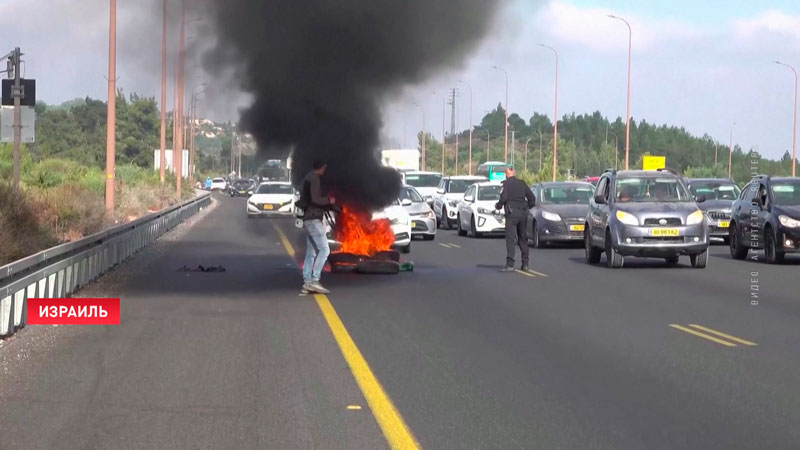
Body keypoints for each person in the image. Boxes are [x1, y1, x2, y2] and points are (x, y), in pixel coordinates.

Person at [299, 160, 335, 294]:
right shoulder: (314, 179)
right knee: (325, 250)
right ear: (322, 167)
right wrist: (328, 200)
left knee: (311, 252)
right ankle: (314, 281)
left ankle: (307, 282)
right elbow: (315, 199)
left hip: (308, 219)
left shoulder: (306, 178)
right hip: (313, 220)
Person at [495, 167, 536, 272]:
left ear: (506, 174)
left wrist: (498, 206)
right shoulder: (522, 183)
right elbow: (532, 198)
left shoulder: (506, 184)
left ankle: (510, 264)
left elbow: (503, 198)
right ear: (514, 173)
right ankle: (525, 264)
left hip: (512, 214)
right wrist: (527, 207)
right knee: (523, 238)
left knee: (510, 238)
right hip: (523, 213)